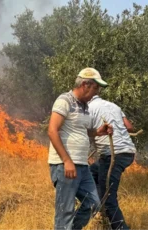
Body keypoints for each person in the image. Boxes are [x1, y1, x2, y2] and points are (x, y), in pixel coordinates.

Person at [48, 67, 112, 230]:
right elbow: (52, 130)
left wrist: (98, 132)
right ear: (85, 84)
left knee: (93, 204)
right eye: (96, 88)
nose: (97, 93)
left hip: (82, 167)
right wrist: (67, 161)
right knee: (65, 212)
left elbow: (84, 131)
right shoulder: (64, 100)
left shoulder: (85, 107)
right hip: (65, 166)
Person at [88, 95, 136, 230]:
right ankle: (98, 210)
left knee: (108, 198)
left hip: (113, 155)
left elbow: (85, 131)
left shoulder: (89, 108)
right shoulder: (114, 106)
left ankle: (118, 225)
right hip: (128, 152)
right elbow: (129, 127)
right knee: (92, 172)